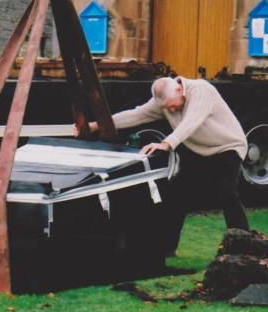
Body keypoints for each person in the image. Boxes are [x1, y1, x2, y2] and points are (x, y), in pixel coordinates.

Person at [77, 76, 249, 254]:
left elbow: (191, 121)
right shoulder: (165, 101)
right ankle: (166, 248)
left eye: (173, 106)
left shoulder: (201, 90)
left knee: (226, 193)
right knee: (176, 194)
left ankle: (243, 246)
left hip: (228, 147)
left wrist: (166, 144)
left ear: (178, 90)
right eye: (167, 108)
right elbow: (135, 115)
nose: (171, 110)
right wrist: (96, 125)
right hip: (200, 149)